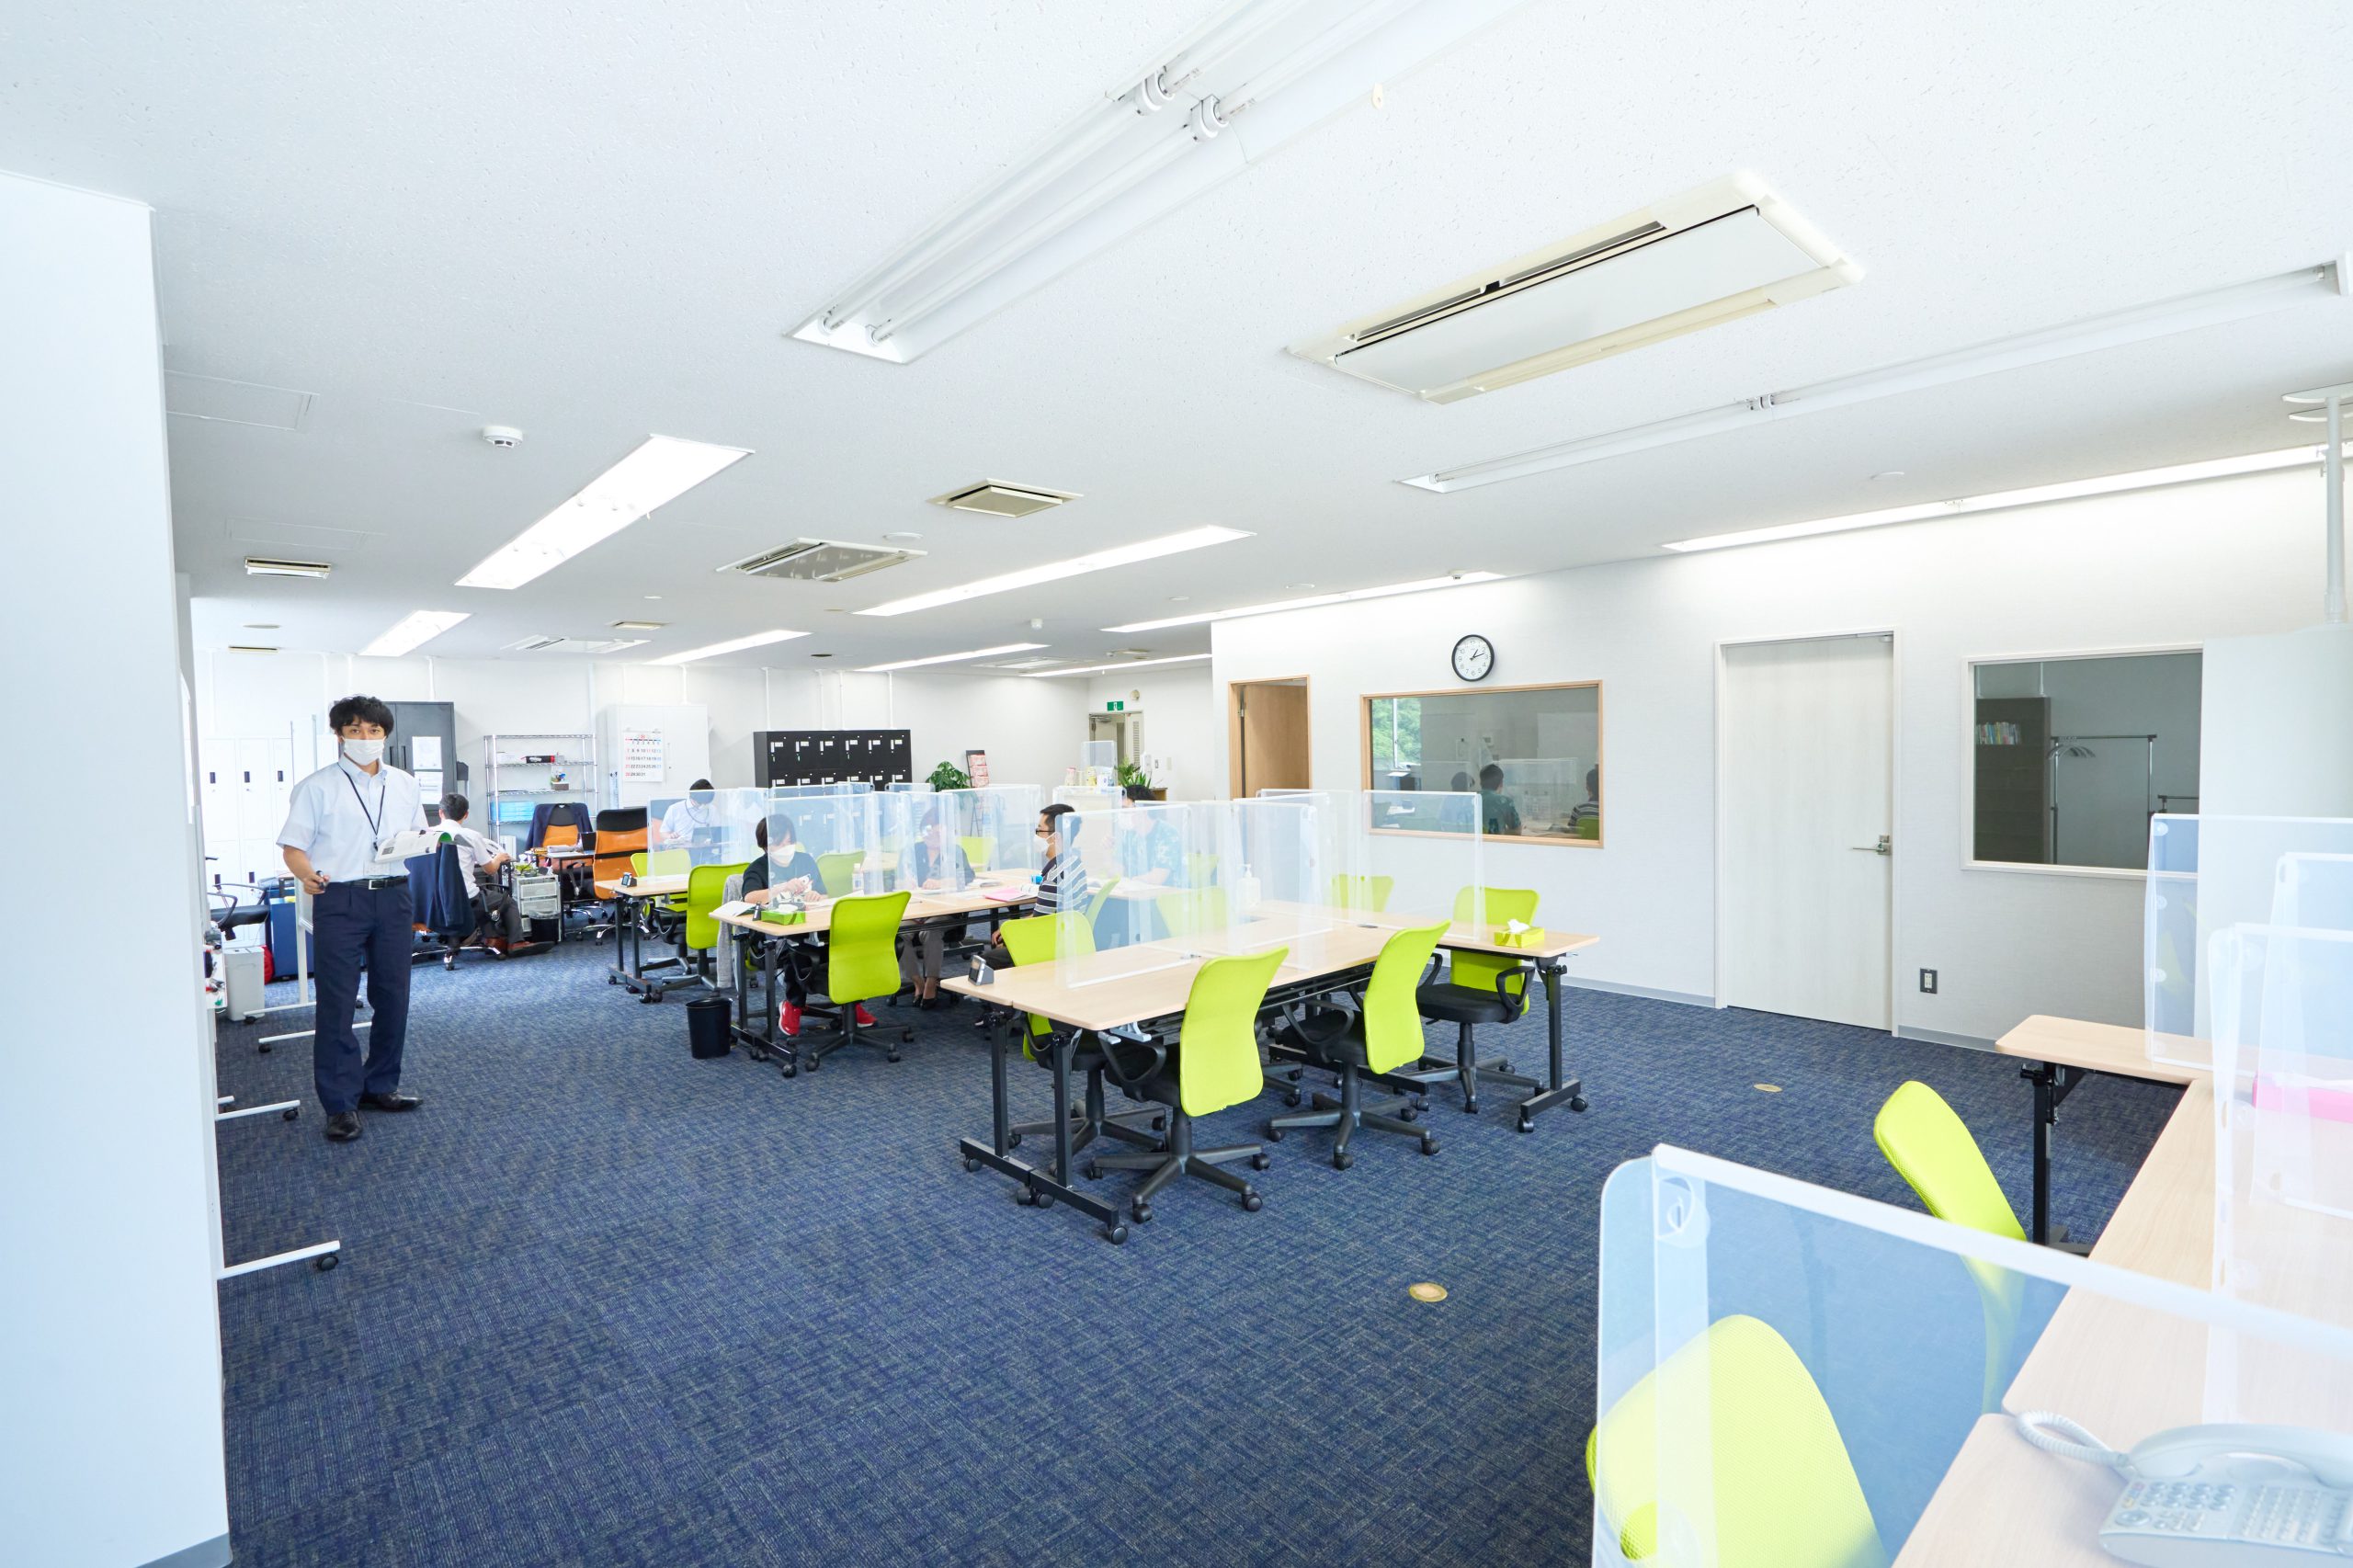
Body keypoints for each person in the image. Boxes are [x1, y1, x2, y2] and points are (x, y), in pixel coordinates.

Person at [276, 695, 426, 1142]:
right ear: (339, 734)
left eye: (374, 730)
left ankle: (380, 1084)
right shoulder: (317, 787)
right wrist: (306, 875)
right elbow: (293, 848)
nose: (365, 737)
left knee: (394, 996)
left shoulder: (405, 784)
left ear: (385, 734)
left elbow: (417, 835)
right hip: (340, 897)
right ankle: (340, 1103)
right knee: (338, 1002)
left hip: (394, 896)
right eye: (355, 729)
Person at [739, 816, 871, 1040]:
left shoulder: (805, 860)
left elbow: (824, 894)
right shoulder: (758, 868)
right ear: (765, 845)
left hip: (812, 926)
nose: (786, 848)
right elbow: (749, 898)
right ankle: (793, 1004)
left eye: (789, 842)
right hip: (773, 937)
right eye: (780, 844)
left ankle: (851, 1002)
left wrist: (816, 896)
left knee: (847, 945)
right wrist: (780, 888)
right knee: (797, 946)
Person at [985, 804, 1088, 970]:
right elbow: (1044, 914)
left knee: (986, 959)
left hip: (1051, 947)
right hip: (1069, 938)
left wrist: (1009, 932)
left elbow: (1038, 925)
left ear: (1055, 837)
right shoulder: (1075, 863)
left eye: (1040, 830)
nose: (1036, 836)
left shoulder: (1054, 877)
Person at [436, 793, 534, 956]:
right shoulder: (470, 836)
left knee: (483, 897)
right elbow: (490, 870)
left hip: (432, 901)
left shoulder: (425, 835)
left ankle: (492, 938)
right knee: (506, 902)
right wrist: (498, 858)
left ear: (440, 812)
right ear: (466, 814)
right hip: (464, 898)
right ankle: (516, 942)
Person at [900, 808, 973, 1006]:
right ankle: (917, 982)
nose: (932, 836)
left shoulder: (954, 851)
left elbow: (968, 877)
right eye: (928, 831)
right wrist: (904, 882)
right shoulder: (913, 851)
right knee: (899, 933)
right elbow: (896, 879)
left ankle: (931, 982)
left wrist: (942, 882)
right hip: (915, 910)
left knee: (930, 931)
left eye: (938, 832)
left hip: (945, 911)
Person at [655, 780, 725, 849]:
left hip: (704, 849)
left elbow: (717, 832)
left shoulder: (712, 809)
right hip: (681, 850)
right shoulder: (675, 809)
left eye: (705, 803)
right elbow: (663, 833)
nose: (702, 806)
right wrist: (670, 836)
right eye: (700, 803)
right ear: (691, 798)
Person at [1478, 762, 1522, 836]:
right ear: (1501, 783)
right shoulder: (1505, 802)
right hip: (1494, 843)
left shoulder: (1470, 799)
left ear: (1480, 782)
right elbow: (1517, 831)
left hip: (1469, 843)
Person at [1569, 766, 1601, 835]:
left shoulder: (1579, 808)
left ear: (1587, 786)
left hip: (1583, 841)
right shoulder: (1609, 810)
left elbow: (1571, 831)